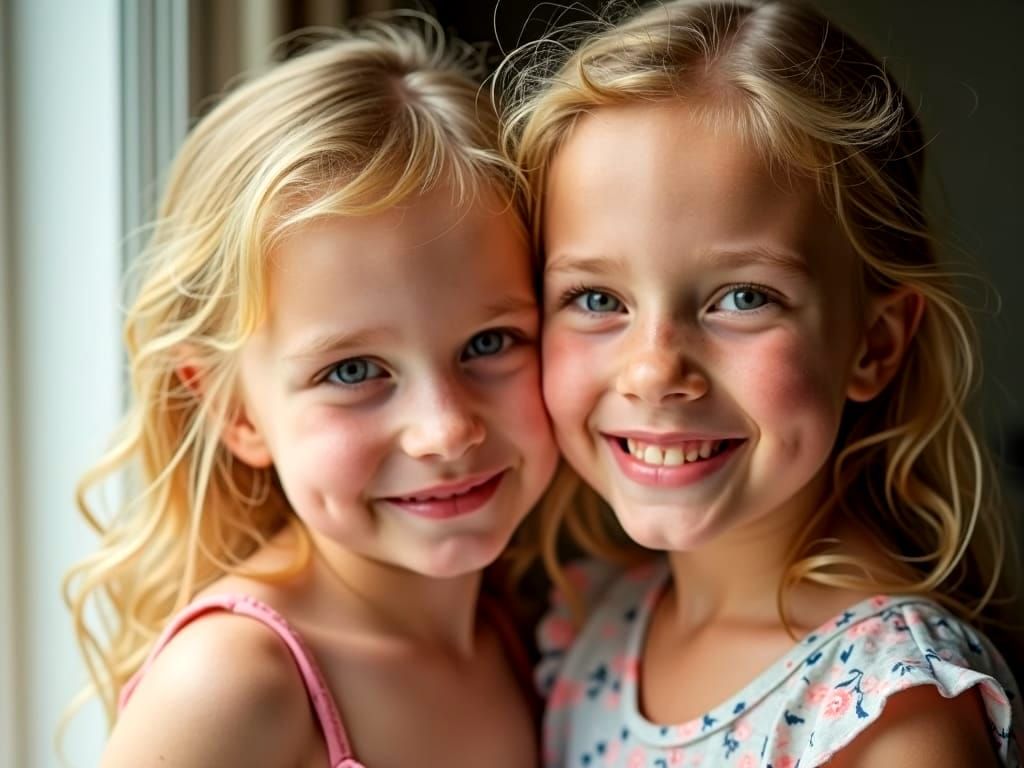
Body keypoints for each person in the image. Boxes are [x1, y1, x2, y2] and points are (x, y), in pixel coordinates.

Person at [502, 1, 1024, 765]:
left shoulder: (892, 712)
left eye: (744, 297)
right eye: (597, 300)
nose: (653, 371)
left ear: (873, 345)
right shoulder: (588, 623)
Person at [65, 18, 559, 768]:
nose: (445, 430)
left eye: (488, 344)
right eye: (353, 371)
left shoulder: (536, 631)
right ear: (235, 411)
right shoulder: (230, 686)